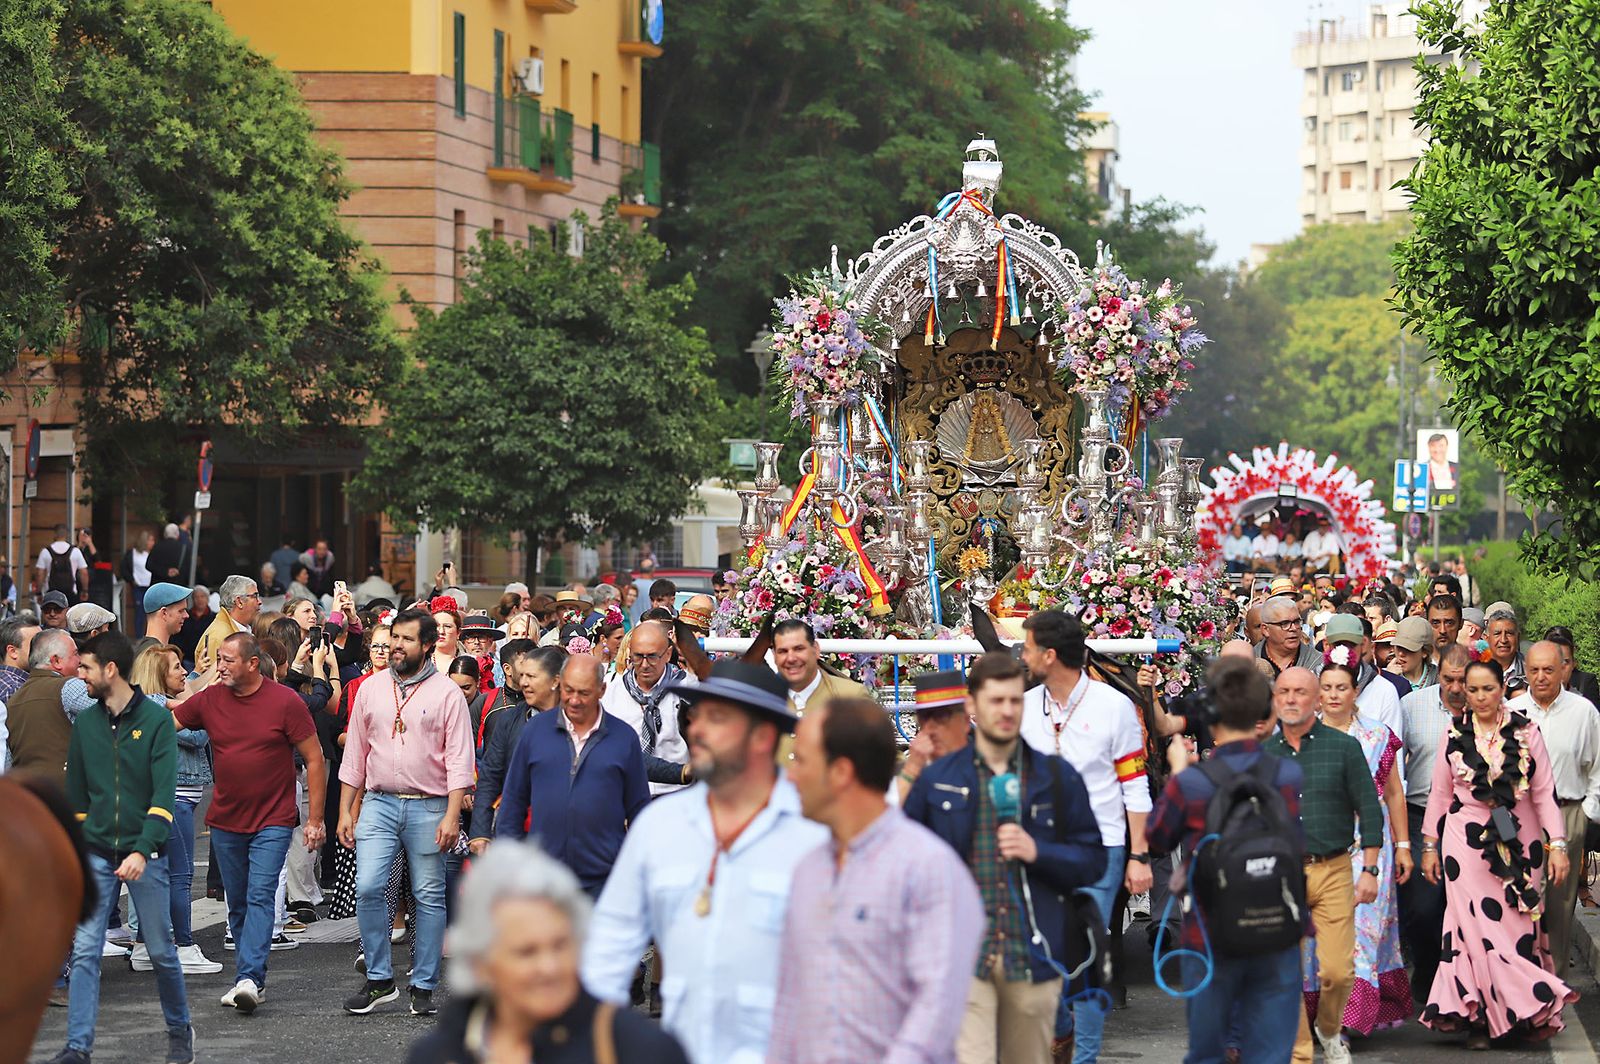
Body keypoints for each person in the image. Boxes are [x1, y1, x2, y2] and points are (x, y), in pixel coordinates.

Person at [582, 660, 827, 1063]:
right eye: (696, 717)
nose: (695, 731)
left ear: (763, 736)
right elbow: (610, 947)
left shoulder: (812, 836)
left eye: (718, 719)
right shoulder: (659, 826)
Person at [904, 653, 1106, 1064]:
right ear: (973, 706)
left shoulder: (1055, 777)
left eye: (1015, 700)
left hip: (1033, 954)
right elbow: (901, 863)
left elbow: (1093, 861)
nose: (1007, 711)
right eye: (996, 701)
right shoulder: (938, 779)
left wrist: (1039, 852)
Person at [770, 696, 985, 1064]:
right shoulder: (807, 870)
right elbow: (790, 1000)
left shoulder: (927, 868)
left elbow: (936, 1007)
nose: (790, 775)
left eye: (800, 761)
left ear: (840, 772)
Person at [1145, 657, 1307, 1064]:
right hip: (1277, 926)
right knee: (1271, 1052)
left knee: (1208, 1051)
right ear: (1264, 713)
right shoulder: (1286, 775)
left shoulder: (1194, 783)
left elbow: (1158, 838)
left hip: (1210, 930)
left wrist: (1177, 773)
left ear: (1209, 715)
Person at [406, 843, 690, 1064]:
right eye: (526, 952)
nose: (549, 966)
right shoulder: (436, 1055)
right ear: (480, 963)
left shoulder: (640, 1050)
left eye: (561, 945)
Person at [49, 632, 193, 1064]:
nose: (80, 673)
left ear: (110, 670)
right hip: (95, 852)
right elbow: (75, 797)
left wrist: (142, 849)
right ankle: (78, 1047)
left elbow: (163, 796)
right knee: (88, 949)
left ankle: (179, 1031)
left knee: (163, 952)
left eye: (87, 666)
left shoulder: (154, 722)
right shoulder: (87, 723)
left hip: (145, 855)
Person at [1419, 659, 1577, 1046]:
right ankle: (1480, 1020)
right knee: (1471, 928)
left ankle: (1520, 1010)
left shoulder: (1526, 731)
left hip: (1520, 841)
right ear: (1465, 694)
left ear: (1502, 687)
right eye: (1472, 690)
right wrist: (1427, 845)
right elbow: (1439, 794)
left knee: (1516, 925)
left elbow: (1543, 793)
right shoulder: (1454, 733)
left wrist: (1557, 844)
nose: (1480, 697)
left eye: (1487, 688)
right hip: (1464, 845)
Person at [1017, 610, 1150, 1064]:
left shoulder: (1113, 706)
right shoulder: (1025, 705)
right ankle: (1060, 1029)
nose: (1023, 653)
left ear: (1049, 655)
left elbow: (1134, 783)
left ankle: (1085, 1056)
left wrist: (1140, 856)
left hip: (1101, 847)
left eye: (1029, 646)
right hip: (1038, 848)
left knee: (1088, 952)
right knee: (1040, 948)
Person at [173, 633, 325, 1013]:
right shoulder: (210, 698)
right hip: (225, 820)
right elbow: (168, 722)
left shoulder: (285, 701)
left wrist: (316, 820)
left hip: (273, 818)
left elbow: (315, 757)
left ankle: (249, 978)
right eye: (218, 659)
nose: (219, 666)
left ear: (253, 664)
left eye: (226, 660)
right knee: (237, 902)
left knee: (260, 896)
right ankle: (247, 974)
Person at [338, 607, 474, 1017]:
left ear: (428, 645)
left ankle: (424, 986)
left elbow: (459, 760)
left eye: (407, 639)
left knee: (429, 896)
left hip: (429, 805)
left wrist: (452, 815)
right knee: (368, 887)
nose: (396, 645)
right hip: (378, 803)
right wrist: (347, 809)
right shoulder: (370, 688)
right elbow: (355, 755)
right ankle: (379, 979)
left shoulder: (447, 693)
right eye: (394, 637)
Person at [1263, 666, 1383, 1064]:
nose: (1292, 699)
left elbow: (1369, 808)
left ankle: (1329, 1030)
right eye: (1284, 692)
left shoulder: (1343, 747)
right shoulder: (1263, 755)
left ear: (1317, 700)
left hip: (1334, 870)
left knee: (1336, 971)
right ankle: (1300, 1055)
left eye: (1301, 692)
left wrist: (1369, 868)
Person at [1301, 660, 1412, 1036]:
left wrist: (1403, 846)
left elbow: (1395, 793)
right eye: (1327, 687)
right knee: (1317, 935)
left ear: (1355, 692)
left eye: (1341, 688)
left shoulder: (1377, 736)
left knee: (1362, 931)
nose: (1333, 695)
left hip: (1369, 849)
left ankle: (1346, 1018)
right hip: (1318, 849)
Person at [495, 655, 649, 897]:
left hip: (604, 881)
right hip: (542, 879)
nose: (574, 700)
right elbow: (513, 801)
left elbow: (639, 811)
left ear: (602, 690)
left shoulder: (623, 739)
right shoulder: (536, 731)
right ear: (559, 684)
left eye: (584, 693)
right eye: (568, 690)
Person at [125, 643, 223, 976]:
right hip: (174, 798)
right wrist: (204, 707)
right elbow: (196, 736)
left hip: (175, 797)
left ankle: (143, 946)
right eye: (177, 667)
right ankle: (183, 945)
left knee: (164, 875)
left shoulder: (155, 703)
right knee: (181, 876)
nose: (184, 672)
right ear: (157, 675)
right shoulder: (153, 703)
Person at [1506, 641, 1600, 981]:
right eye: (1534, 670)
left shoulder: (1583, 711)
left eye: (1549, 669)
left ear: (1564, 669)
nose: (1542, 677)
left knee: (1560, 905)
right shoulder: (1511, 711)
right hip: (1521, 819)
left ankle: (1555, 983)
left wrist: (1586, 813)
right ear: (1525, 671)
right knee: (1521, 901)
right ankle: (1524, 983)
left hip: (1568, 815)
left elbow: (1597, 766)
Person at [1398, 644, 1471, 1004]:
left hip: (1470, 822)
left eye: (1462, 680)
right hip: (1420, 816)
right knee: (1423, 908)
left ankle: (1459, 986)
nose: (1455, 688)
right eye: (1448, 679)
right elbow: (1396, 765)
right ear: (1436, 673)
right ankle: (1427, 969)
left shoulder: (1483, 709)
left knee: (1464, 909)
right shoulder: (1412, 706)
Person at [468, 645, 568, 852]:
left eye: (531, 676)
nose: (523, 683)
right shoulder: (510, 719)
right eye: (522, 675)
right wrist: (480, 832)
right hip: (516, 829)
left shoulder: (577, 719)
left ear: (555, 681)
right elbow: (490, 775)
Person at [601, 620, 693, 794]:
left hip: (675, 792)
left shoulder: (687, 688)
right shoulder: (610, 689)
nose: (644, 665)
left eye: (652, 656)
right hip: (626, 792)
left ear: (667, 654)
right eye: (638, 656)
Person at [6, 629, 82, 785]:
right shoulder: (68, 687)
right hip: (66, 799)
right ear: (56, 661)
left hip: (28, 799)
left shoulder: (12, 702)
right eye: (75, 654)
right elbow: (118, 704)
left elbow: (7, 764)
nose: (80, 660)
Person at [895, 669, 975, 803]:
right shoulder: (904, 772)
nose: (930, 728)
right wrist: (911, 770)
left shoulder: (983, 770)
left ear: (965, 721)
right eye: (924, 717)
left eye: (941, 717)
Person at [773, 618, 871, 720]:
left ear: (815, 650)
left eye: (799, 649)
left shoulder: (852, 696)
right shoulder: (762, 700)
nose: (791, 658)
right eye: (783, 651)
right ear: (774, 655)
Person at [194, 576, 262, 675]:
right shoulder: (219, 637)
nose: (259, 602)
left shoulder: (239, 630)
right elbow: (215, 685)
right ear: (239, 602)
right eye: (255, 596)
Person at [1254, 596, 1322, 679]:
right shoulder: (1249, 662)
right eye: (1285, 623)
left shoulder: (1318, 663)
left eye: (1297, 622)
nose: (1293, 628)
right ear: (1265, 629)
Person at [36, 524, 89, 604]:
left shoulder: (45, 551)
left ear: (54, 534)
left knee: (52, 615)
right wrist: (85, 590)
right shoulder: (75, 551)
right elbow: (84, 573)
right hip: (70, 592)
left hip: (51, 593)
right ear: (67, 535)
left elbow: (40, 574)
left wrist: (39, 592)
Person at [1385, 616, 1437, 693]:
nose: (1401, 653)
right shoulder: (1384, 678)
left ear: (1425, 652)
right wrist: (1389, 679)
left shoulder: (1440, 678)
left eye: (1408, 649)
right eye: (1398, 647)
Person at [1484, 602, 1527, 695]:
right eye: (1497, 633)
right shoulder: (1474, 670)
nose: (1503, 640)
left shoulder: (1531, 671)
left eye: (1509, 633)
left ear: (1518, 637)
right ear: (1486, 638)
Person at [121, 530, 156, 636]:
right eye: (151, 540)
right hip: (138, 587)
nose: (153, 542)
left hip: (150, 587)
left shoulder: (152, 554)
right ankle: (139, 636)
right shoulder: (132, 553)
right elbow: (124, 568)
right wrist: (131, 580)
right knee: (139, 613)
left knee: (152, 613)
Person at [141, 583, 192, 651]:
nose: (186, 615)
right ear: (164, 613)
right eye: (181, 611)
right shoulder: (155, 655)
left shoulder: (145, 650)